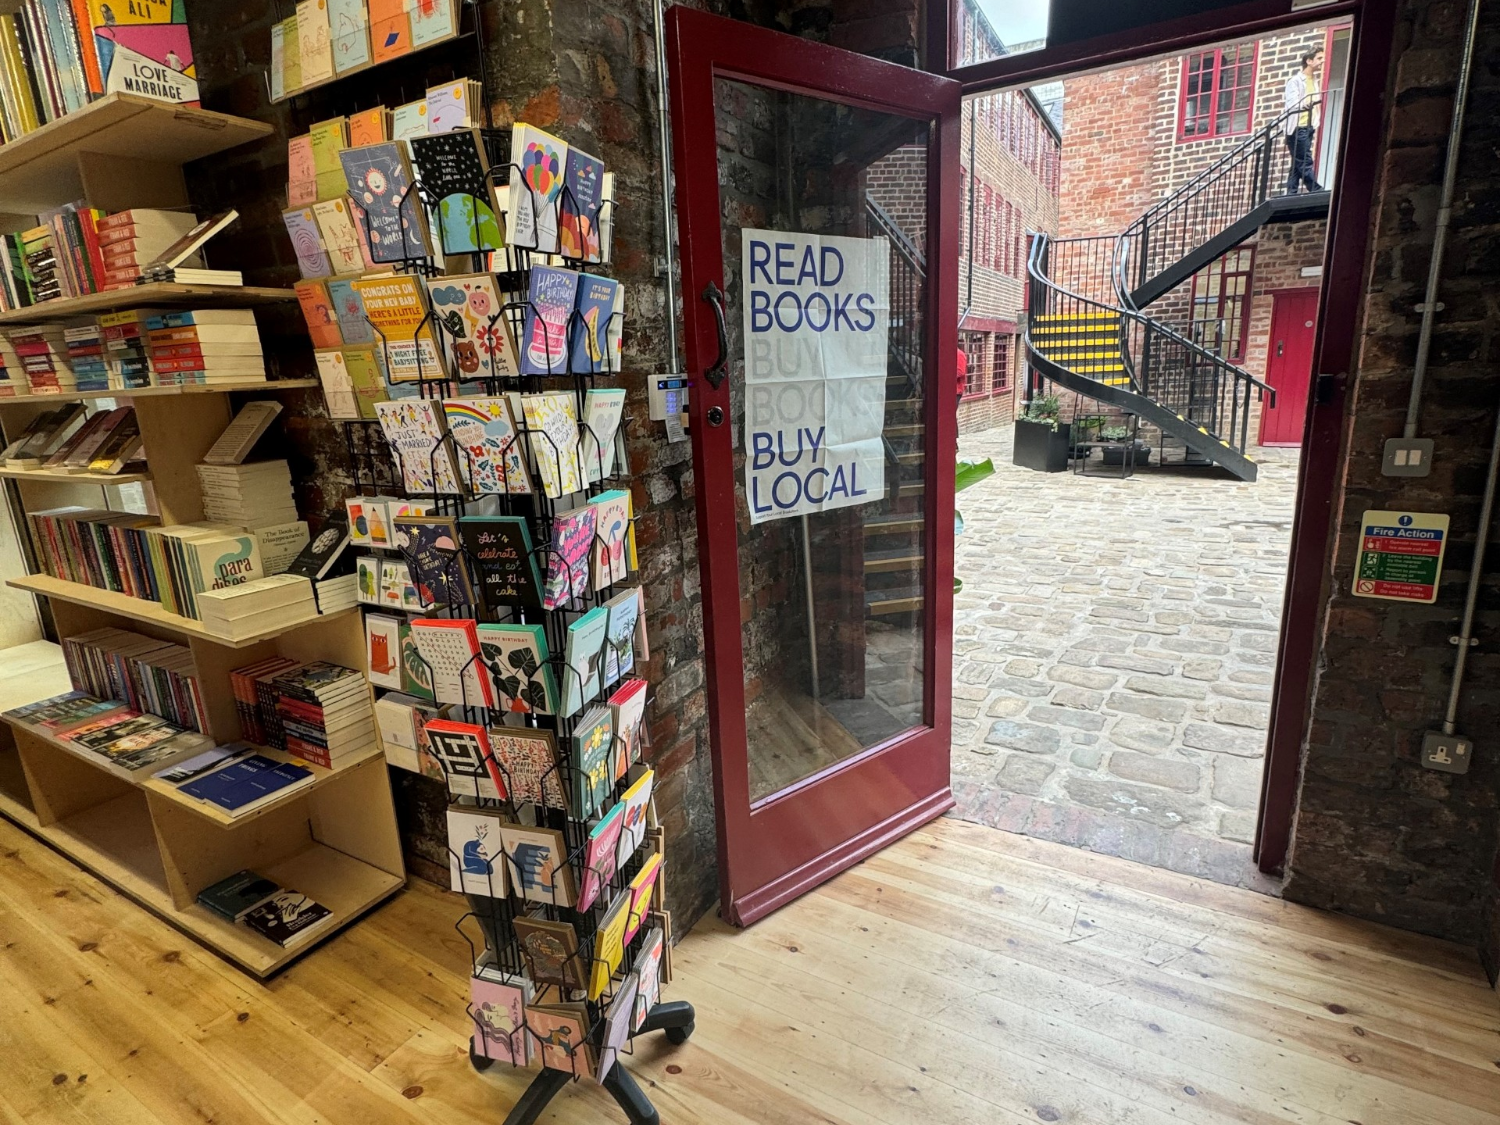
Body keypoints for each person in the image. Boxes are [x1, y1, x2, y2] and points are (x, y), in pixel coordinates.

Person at [1283, 48, 1324, 194]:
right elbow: (1292, 104)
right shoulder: (1295, 81)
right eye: (1319, 58)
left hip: (1309, 126)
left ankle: (1291, 191)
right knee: (1304, 160)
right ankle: (1315, 188)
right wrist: (1307, 103)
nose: (1322, 61)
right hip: (1297, 127)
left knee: (1297, 161)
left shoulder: (1314, 80)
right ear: (1309, 61)